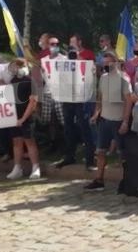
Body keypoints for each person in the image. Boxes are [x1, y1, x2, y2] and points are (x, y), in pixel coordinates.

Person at [86, 51, 132, 191]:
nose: (106, 65)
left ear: (116, 62)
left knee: (122, 153)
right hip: (104, 120)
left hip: (118, 120)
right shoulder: (103, 78)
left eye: (109, 62)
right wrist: (96, 113)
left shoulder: (124, 78)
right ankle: (99, 179)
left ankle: (126, 180)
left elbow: (128, 101)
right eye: (104, 63)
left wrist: (125, 121)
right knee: (100, 151)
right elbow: (100, 98)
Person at [55, 34, 97, 170]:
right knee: (68, 128)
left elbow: (90, 69)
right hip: (68, 97)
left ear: (79, 42)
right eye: (70, 43)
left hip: (81, 97)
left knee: (84, 127)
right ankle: (69, 156)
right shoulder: (66, 57)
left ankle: (90, 159)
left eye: (73, 42)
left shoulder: (88, 53)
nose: (71, 45)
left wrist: (78, 56)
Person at [6, 58, 42, 180]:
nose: (13, 69)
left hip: (27, 117)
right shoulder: (12, 81)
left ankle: (36, 167)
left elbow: (33, 102)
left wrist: (23, 118)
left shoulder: (30, 81)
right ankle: (17, 168)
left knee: (29, 141)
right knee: (16, 142)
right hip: (14, 117)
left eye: (16, 66)